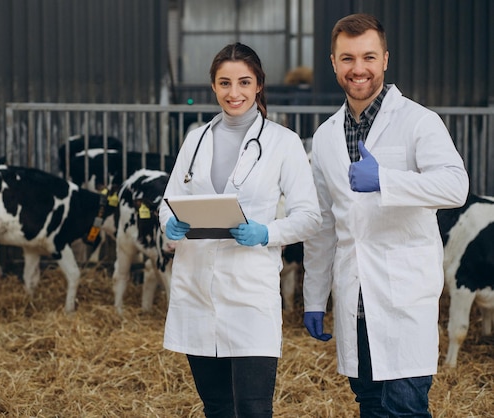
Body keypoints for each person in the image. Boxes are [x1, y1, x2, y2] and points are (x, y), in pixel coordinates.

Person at [302, 13, 469, 417]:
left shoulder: (418, 121)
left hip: (403, 296)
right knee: (371, 404)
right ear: (333, 62)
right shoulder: (325, 136)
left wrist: (386, 180)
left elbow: (455, 186)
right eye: (347, 58)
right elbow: (325, 224)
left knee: (404, 408)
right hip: (353, 296)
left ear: (385, 60)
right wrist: (313, 295)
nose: (358, 69)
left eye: (368, 57)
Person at [159, 42, 321, 418]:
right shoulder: (195, 140)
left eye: (244, 82)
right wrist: (170, 224)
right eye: (225, 83)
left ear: (259, 85)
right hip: (197, 291)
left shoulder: (283, 142)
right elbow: (169, 203)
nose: (234, 93)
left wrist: (267, 233)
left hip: (250, 294)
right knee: (215, 406)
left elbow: (310, 216)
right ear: (213, 87)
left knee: (252, 407)